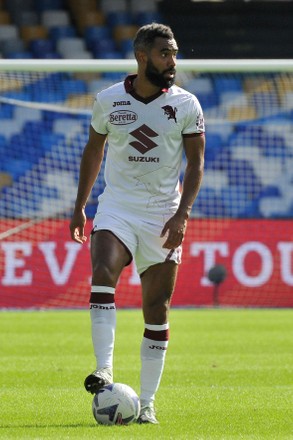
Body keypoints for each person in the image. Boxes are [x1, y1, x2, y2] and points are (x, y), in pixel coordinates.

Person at [69, 22, 205, 424]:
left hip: (164, 214)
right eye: (165, 54)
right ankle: (105, 369)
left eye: (175, 54)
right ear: (142, 57)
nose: (173, 62)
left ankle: (146, 404)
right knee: (103, 269)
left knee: (157, 310)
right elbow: (93, 151)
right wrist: (80, 206)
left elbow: (196, 163)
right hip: (117, 207)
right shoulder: (108, 100)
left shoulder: (186, 104)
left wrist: (183, 214)